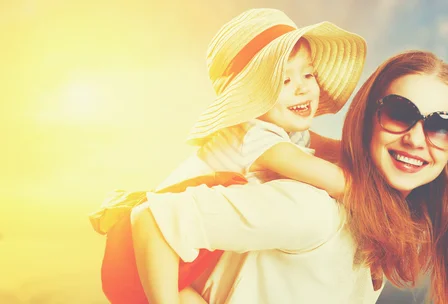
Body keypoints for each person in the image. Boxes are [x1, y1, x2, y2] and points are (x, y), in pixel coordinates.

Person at [131, 50, 448, 304]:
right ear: (367, 117)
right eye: (400, 113)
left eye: (441, 126)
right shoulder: (313, 210)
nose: (416, 139)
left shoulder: (378, 223)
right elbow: (152, 218)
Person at [90, 8, 366, 304]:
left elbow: (339, 148)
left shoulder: (284, 132)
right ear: (249, 95)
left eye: (308, 74)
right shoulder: (255, 137)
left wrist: (374, 149)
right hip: (150, 252)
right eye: (283, 81)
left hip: (183, 249)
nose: (302, 88)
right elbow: (339, 183)